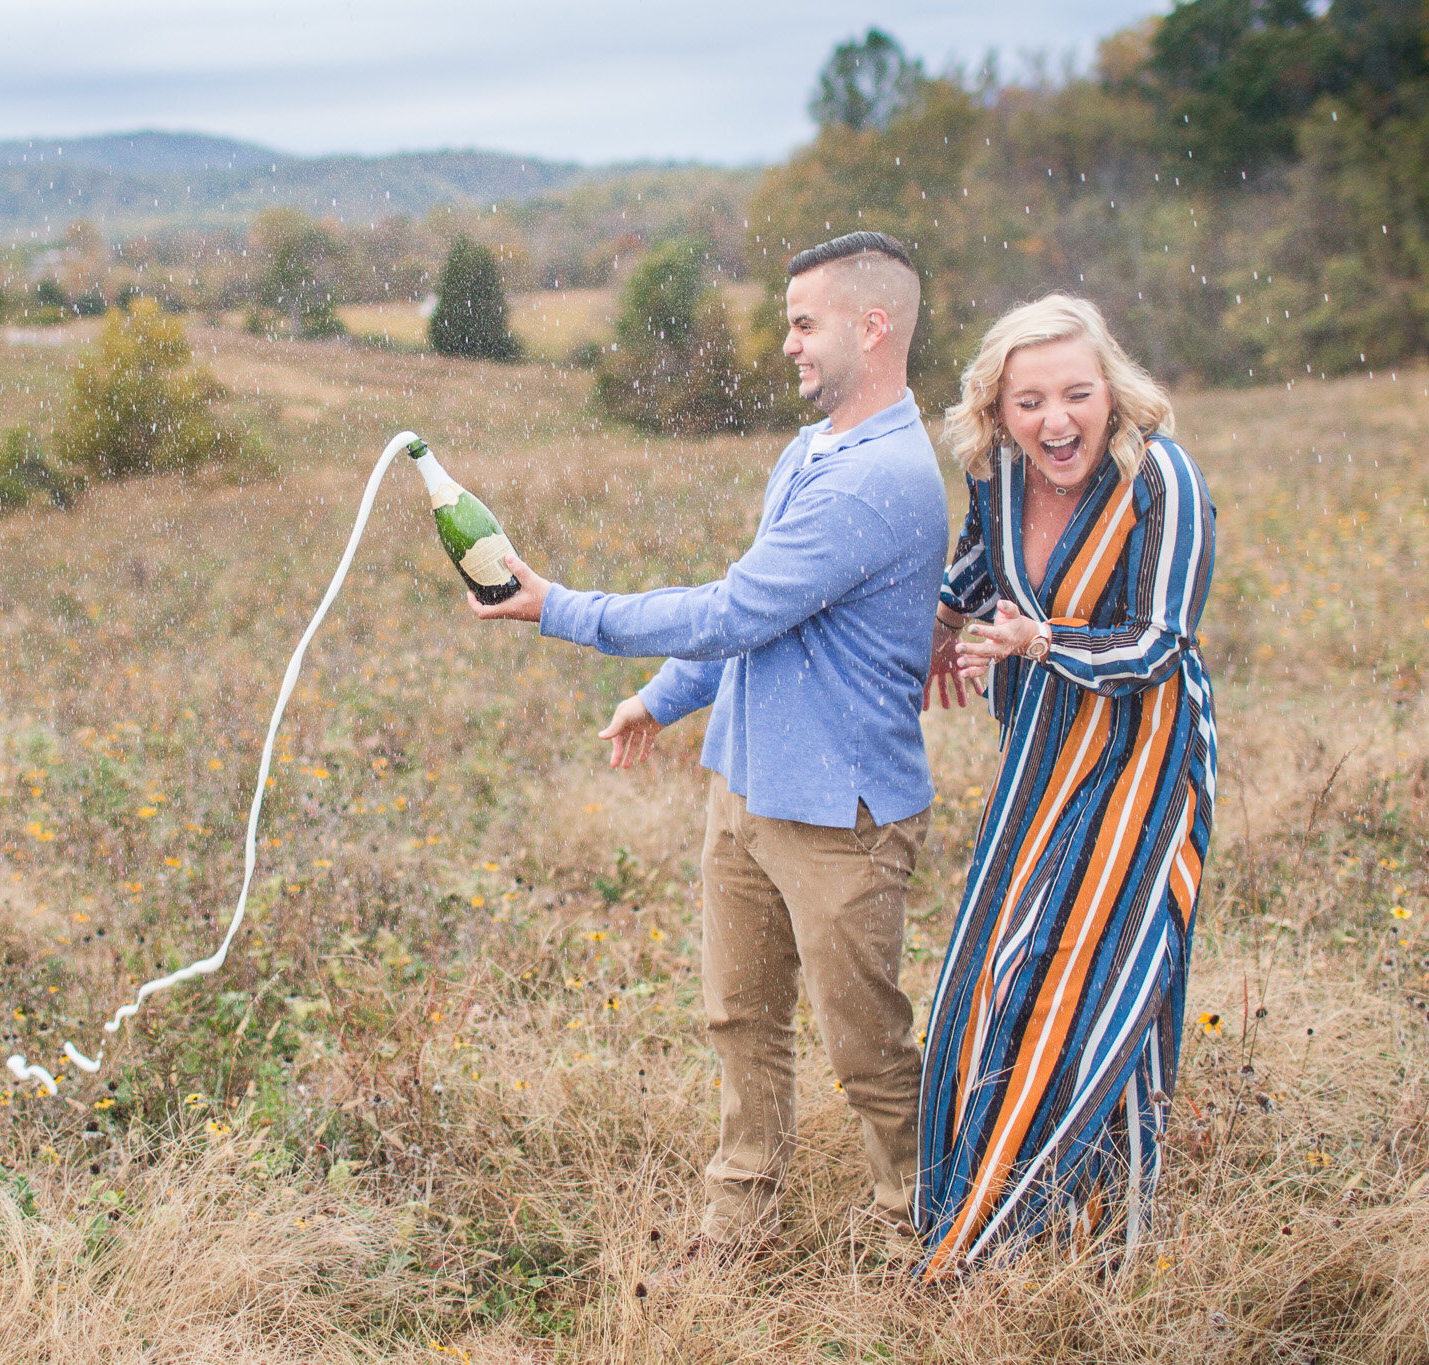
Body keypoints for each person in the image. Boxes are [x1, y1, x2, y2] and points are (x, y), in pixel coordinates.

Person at [471, 231, 948, 1253]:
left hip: (840, 815)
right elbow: (757, 616)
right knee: (738, 1019)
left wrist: (560, 607)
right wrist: (663, 698)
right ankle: (740, 1220)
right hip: (745, 788)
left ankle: (916, 1231)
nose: (787, 344)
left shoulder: (879, 478)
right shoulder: (809, 453)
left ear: (873, 328)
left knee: (863, 1048)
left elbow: (733, 610)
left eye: (803, 322)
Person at [916, 294, 1216, 1277]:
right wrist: (939, 626)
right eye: (1028, 400)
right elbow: (973, 568)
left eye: (1076, 394)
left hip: (1144, 752)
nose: (1055, 420)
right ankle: (971, 1204)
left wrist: (1036, 641)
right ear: (996, 412)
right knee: (986, 968)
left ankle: (1056, 1234)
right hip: (1040, 750)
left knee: (1079, 968)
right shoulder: (995, 476)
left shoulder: (1157, 476)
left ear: (1110, 391)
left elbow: (1158, 644)